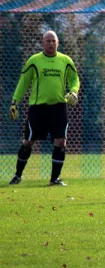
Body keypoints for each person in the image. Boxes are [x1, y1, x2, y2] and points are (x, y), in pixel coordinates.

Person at [8, 30, 80, 186]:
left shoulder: (66, 60)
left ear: (58, 43)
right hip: (38, 108)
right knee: (28, 142)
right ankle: (17, 175)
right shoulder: (34, 61)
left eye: (54, 41)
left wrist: (74, 91)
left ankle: (54, 179)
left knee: (61, 142)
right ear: (43, 43)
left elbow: (74, 79)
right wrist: (15, 101)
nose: (51, 43)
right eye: (48, 41)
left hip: (59, 108)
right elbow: (24, 82)